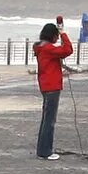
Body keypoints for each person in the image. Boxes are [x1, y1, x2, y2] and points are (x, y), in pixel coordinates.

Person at [32, 19, 75, 159]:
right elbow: (68, 49)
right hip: (52, 86)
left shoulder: (41, 47)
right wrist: (63, 33)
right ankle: (45, 151)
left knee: (46, 119)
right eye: (56, 35)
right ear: (52, 35)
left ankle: (43, 149)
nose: (57, 38)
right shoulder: (48, 49)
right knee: (49, 120)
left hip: (45, 85)